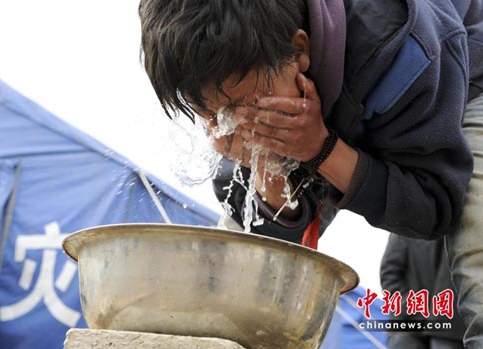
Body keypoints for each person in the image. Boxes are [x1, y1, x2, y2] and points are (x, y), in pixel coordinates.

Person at [138, 0, 483, 346]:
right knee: (240, 266)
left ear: (299, 51)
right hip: (341, 91)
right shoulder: (241, 76)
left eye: (240, 109)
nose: (227, 131)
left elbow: (433, 207)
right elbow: (268, 242)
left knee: (476, 246)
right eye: (208, 114)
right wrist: (266, 166)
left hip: (466, 76)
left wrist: (322, 149)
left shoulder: (404, 49)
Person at [381, 234, 466, 349]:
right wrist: (416, 309)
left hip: (442, 328)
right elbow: (389, 274)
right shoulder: (405, 228)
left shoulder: (455, 234)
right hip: (408, 326)